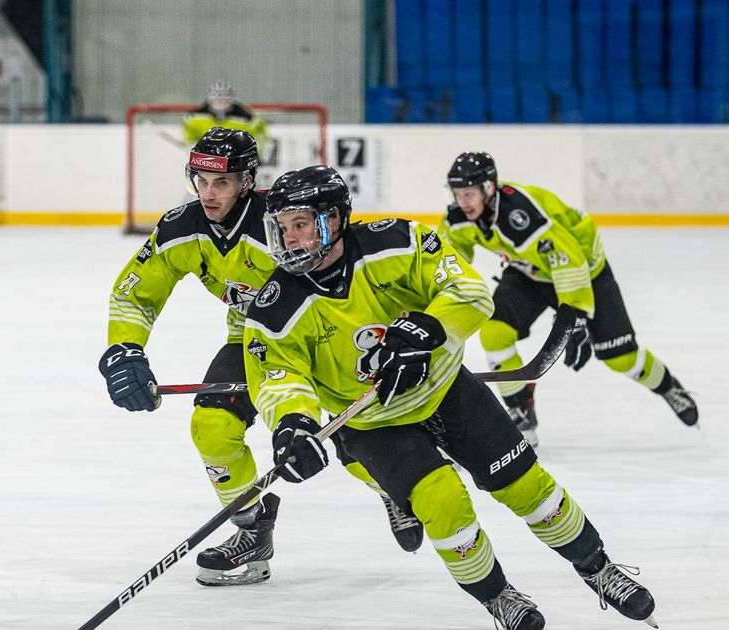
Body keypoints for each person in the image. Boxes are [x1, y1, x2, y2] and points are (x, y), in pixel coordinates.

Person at [246, 165, 656, 629]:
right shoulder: (274, 304)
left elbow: (468, 290)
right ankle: (498, 596)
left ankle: (598, 569)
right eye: (282, 227)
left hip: (445, 389)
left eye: (301, 224)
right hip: (373, 424)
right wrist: (293, 423)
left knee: (527, 488)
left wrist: (429, 328)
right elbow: (278, 376)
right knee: (444, 504)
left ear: (335, 218)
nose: (291, 239)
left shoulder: (396, 241)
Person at [99, 129, 423, 589]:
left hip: (328, 330)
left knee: (352, 438)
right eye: (201, 182)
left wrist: (400, 327)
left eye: (222, 183)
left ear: (248, 181)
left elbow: (357, 265)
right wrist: (124, 348)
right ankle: (254, 531)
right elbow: (134, 294)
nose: (208, 194)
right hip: (257, 338)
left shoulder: (285, 220)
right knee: (211, 428)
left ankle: (392, 487)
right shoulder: (181, 228)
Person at [438, 152, 698, 446]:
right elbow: (449, 261)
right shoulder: (459, 217)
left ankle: (668, 387)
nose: (463, 202)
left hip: (586, 272)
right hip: (530, 273)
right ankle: (521, 412)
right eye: (458, 194)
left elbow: (569, 261)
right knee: (495, 332)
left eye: (469, 194)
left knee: (621, 357)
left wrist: (574, 320)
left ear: (489, 188)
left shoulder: (519, 215)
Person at [182, 81, 272, 165]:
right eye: (217, 100)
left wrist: (255, 152)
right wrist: (197, 152)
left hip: (237, 162)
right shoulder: (195, 118)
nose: (220, 103)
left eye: (224, 100)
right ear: (210, 100)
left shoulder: (247, 118)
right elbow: (188, 138)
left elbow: (261, 135)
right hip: (206, 162)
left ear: (231, 100)